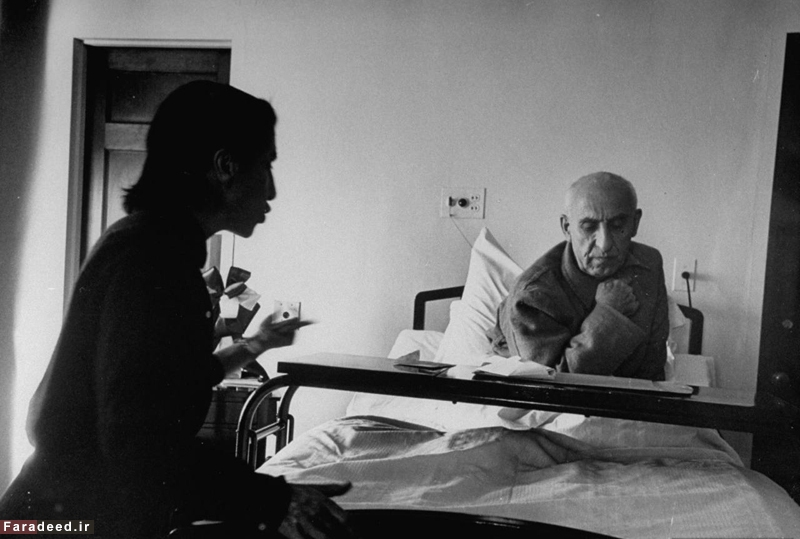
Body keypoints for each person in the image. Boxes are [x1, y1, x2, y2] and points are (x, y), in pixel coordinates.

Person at [0, 81, 352, 538]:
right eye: (266, 165)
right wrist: (272, 498)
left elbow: (170, 383)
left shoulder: (149, 242)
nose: (272, 190)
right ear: (225, 167)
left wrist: (256, 344)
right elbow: (140, 442)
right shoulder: (153, 260)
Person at [489, 172, 669, 381]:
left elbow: (653, 367)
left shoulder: (649, 264)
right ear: (567, 228)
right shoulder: (532, 295)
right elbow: (548, 384)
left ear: (635, 223)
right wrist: (608, 314)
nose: (604, 244)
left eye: (618, 226)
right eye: (589, 227)